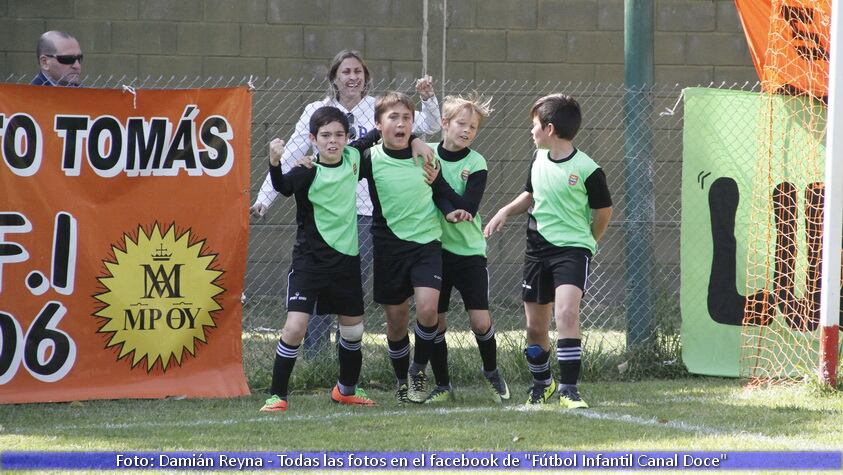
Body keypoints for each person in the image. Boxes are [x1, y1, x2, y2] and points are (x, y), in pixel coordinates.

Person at [250, 50, 441, 355]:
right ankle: (316, 358)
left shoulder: (379, 109)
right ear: (334, 78)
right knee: (319, 285)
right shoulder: (318, 110)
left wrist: (425, 111)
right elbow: (292, 154)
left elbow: (429, 125)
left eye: (358, 72)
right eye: (346, 72)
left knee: (349, 290)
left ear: (365, 78)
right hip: (327, 213)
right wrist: (264, 199)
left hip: (365, 212)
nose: (353, 77)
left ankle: (344, 359)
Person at [260, 106, 436, 412]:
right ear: (313, 139)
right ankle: (277, 395)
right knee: (295, 328)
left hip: (346, 263)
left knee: (353, 330)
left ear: (347, 137)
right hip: (309, 263)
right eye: (325, 135)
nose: (332, 141)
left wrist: (418, 140)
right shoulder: (306, 170)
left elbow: (384, 131)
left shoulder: (354, 157)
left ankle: (346, 389)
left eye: (338, 135)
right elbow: (282, 187)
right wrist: (275, 162)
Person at [484, 94, 612, 408]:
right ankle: (543, 384)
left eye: (535, 126)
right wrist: (504, 210)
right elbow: (530, 194)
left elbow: (604, 211)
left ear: (550, 128)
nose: (532, 131)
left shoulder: (588, 169)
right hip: (536, 252)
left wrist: (589, 242)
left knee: (567, 313)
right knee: (535, 327)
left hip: (572, 251)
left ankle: (569, 389)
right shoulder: (538, 159)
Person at [360, 91, 466, 404]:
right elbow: (345, 155)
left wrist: (451, 210)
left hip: (426, 243)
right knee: (396, 321)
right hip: (389, 247)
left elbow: (441, 191)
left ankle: (418, 372)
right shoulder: (369, 159)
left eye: (407, 117)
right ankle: (400, 380)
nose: (401, 123)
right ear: (379, 124)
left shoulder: (425, 155)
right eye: (393, 117)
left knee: (428, 308)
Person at [407, 93, 511, 404]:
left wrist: (439, 184)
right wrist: (443, 202)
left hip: (469, 253)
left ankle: (492, 373)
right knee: (436, 320)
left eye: (473, 127)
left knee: (480, 321)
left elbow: (468, 204)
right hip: (435, 251)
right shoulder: (428, 154)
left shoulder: (476, 162)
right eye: (461, 124)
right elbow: (431, 196)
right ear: (444, 124)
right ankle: (442, 384)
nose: (466, 131)